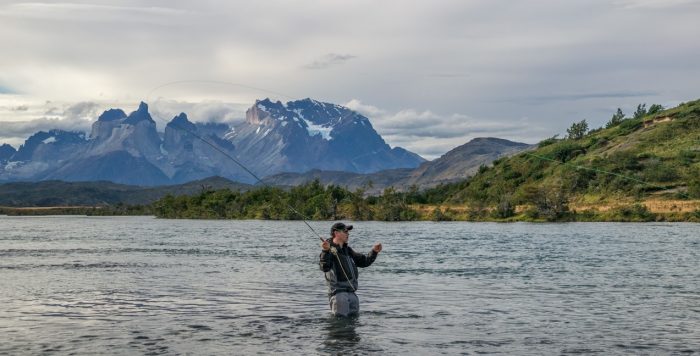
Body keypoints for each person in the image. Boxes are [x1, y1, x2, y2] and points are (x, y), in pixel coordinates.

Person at [319, 222, 382, 317]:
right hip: (339, 295)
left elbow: (364, 262)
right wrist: (325, 251)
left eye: (348, 232)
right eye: (345, 231)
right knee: (340, 325)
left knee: (353, 325)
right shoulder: (329, 250)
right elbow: (324, 267)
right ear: (336, 233)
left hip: (352, 294)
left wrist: (374, 252)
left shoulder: (347, 250)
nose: (348, 234)